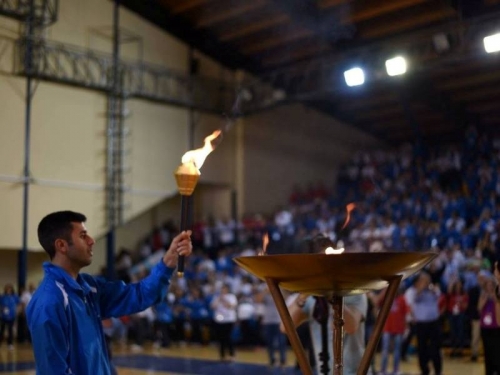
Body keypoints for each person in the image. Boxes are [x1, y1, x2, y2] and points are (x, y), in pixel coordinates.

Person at [26, 210, 192, 375]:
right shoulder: (48, 302)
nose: (92, 241)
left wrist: (169, 260)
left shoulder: (88, 287)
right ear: (61, 245)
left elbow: (139, 295)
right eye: (83, 236)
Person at [285, 292, 367, 375]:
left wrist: (332, 299)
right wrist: (302, 298)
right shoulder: (312, 299)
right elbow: (285, 327)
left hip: (354, 372)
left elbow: (351, 327)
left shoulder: (356, 294)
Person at [412, 271, 443, 375]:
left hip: (434, 322)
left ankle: (438, 370)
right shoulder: (415, 291)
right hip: (421, 324)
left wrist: (429, 286)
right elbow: (416, 297)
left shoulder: (433, 289)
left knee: (436, 348)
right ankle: (424, 370)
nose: (425, 281)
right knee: (421, 348)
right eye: (423, 279)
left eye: (427, 279)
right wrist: (422, 287)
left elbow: (438, 294)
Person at [478, 265, 500, 375]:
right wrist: (486, 297)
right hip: (485, 327)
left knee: (497, 350)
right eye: (488, 285)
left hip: (496, 327)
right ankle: (489, 371)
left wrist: (494, 296)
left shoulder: (497, 295)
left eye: (492, 285)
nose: (490, 287)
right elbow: (479, 308)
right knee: (487, 351)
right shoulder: (483, 295)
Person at [0, 283, 19, 350]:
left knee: (10, 330)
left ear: (11, 289)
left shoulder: (15, 296)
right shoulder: (2, 297)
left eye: (9, 288)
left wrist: (17, 311)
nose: (8, 289)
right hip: (3, 316)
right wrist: (2, 309)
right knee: (2, 330)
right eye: (7, 288)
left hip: (12, 316)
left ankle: (10, 344)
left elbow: (18, 304)